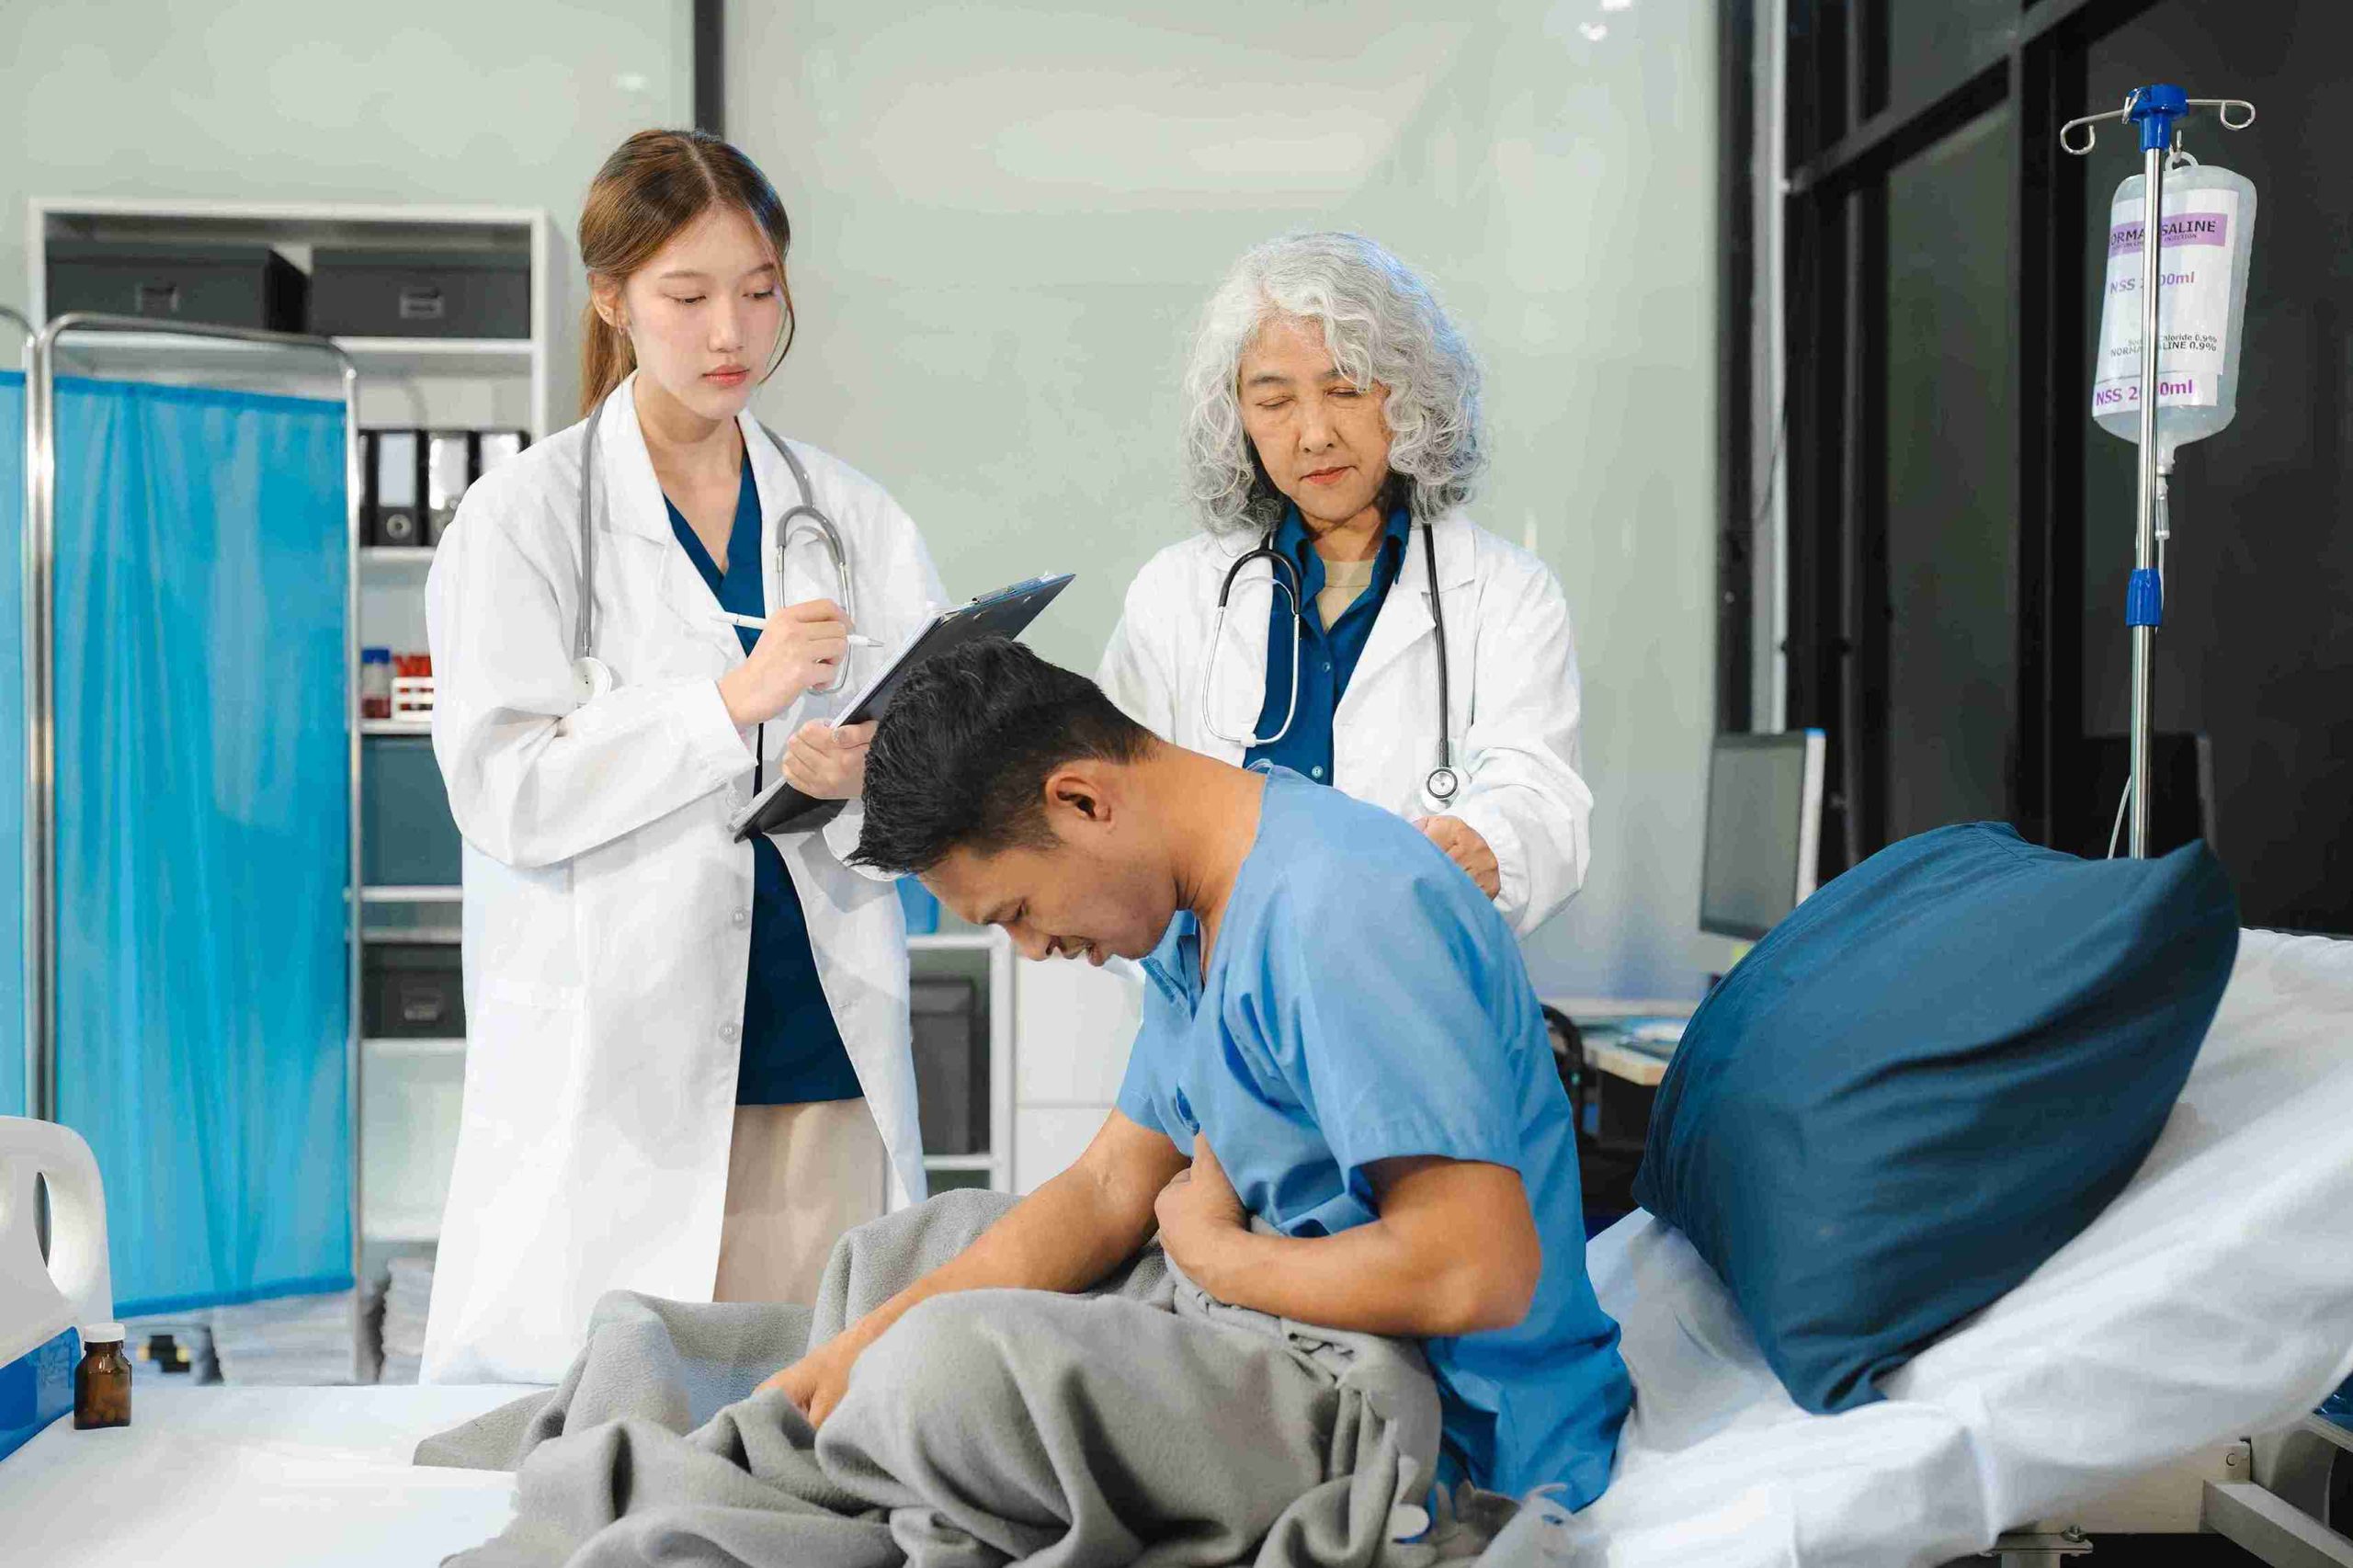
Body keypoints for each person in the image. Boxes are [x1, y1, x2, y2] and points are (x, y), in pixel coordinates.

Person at [767, 639, 1632, 1506]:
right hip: (1278, 1329)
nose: (1032, 951)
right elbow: (1110, 1185)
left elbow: (1477, 1269)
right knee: (907, 1266)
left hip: (1437, 1426)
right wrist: (861, 1346)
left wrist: (1218, 1259)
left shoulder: (1338, 911)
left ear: (1081, 800)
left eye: (1020, 913)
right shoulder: (1197, 919)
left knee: (947, 1375)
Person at [420, 129, 943, 1383]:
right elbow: (508, 788)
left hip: (820, 1062)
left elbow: (937, 768)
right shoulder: (525, 519)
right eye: (689, 295)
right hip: (620, 1080)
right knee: (626, 1446)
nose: (732, 333)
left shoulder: (853, 517)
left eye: (759, 291)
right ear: (613, 298)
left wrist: (855, 778)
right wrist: (725, 707)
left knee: (827, 1438)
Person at [1099, 232, 1593, 937]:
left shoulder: (1503, 591)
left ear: (1410, 394)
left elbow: (1542, 798)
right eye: (1274, 402)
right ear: (1235, 417)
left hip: (1410, 988)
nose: (1314, 434)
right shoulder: (1173, 596)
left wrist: (1490, 844)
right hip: (1217, 1002)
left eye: (1346, 389)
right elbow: (1112, 812)